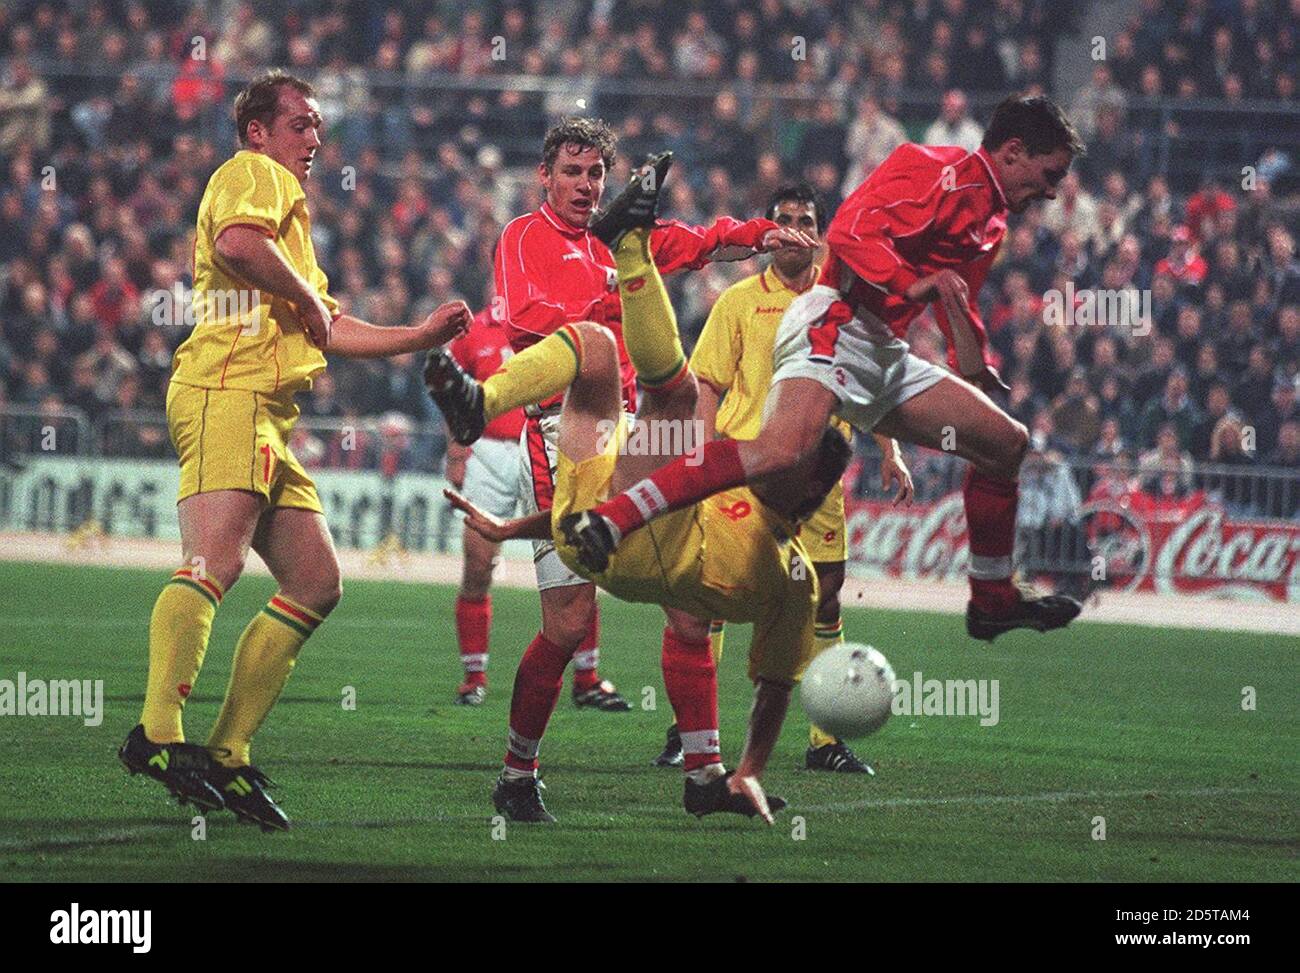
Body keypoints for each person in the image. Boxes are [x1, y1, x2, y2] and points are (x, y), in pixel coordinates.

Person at [559, 95, 1087, 642]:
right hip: (833, 321)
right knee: (779, 452)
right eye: (1049, 174)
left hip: (884, 349)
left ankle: (992, 599)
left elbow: (957, 298)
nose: (1051, 190)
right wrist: (912, 286)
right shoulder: (930, 167)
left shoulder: (994, 220)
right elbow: (850, 234)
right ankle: (613, 519)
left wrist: (971, 363)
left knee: (1006, 443)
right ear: (1015, 151)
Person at [117, 71, 471, 831]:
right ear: (258, 130)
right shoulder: (254, 177)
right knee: (215, 561)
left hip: (266, 411)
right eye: (302, 125)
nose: (315, 140)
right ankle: (155, 733)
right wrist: (306, 297)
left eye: (317, 128)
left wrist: (419, 335)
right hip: (227, 390)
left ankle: (228, 753)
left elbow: (327, 327)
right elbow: (236, 243)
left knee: (315, 580)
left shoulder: (293, 225)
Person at [423, 123, 816, 776]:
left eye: (595, 174)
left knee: (690, 612)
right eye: (573, 172)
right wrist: (608, 300)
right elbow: (522, 320)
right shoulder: (522, 236)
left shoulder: (621, 240)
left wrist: (761, 234)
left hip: (637, 428)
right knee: (567, 625)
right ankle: (518, 774)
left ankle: (703, 774)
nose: (584, 184)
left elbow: (700, 242)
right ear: (545, 176)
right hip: (563, 428)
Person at [672, 180, 910, 775]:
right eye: (784, 219)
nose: (795, 230)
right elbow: (707, 383)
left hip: (818, 477)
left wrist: (891, 450)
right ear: (769, 229)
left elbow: (873, 386)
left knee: (825, 598)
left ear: (822, 234)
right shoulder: (736, 302)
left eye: (807, 219)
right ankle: (690, 732)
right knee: (716, 595)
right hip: (747, 472)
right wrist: (702, 451)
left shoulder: (843, 306)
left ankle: (824, 740)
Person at [442, 301, 525, 706]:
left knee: (572, 564)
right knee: (478, 564)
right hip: (487, 451)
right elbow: (450, 391)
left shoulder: (557, 316)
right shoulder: (474, 330)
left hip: (544, 445)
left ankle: (587, 678)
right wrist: (457, 450)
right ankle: (474, 678)